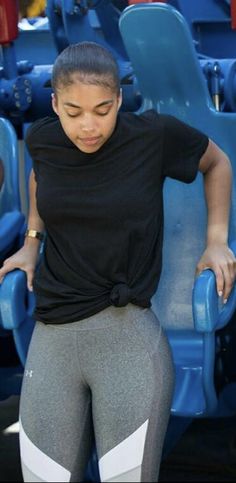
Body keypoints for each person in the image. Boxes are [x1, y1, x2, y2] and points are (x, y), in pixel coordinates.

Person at [0, 41, 235, 482]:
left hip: (127, 337)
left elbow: (217, 162)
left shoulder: (152, 136)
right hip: (54, 338)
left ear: (120, 100)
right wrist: (32, 241)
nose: (88, 125)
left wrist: (217, 240)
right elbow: (39, 177)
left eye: (103, 109)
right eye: (73, 112)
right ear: (54, 104)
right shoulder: (43, 139)